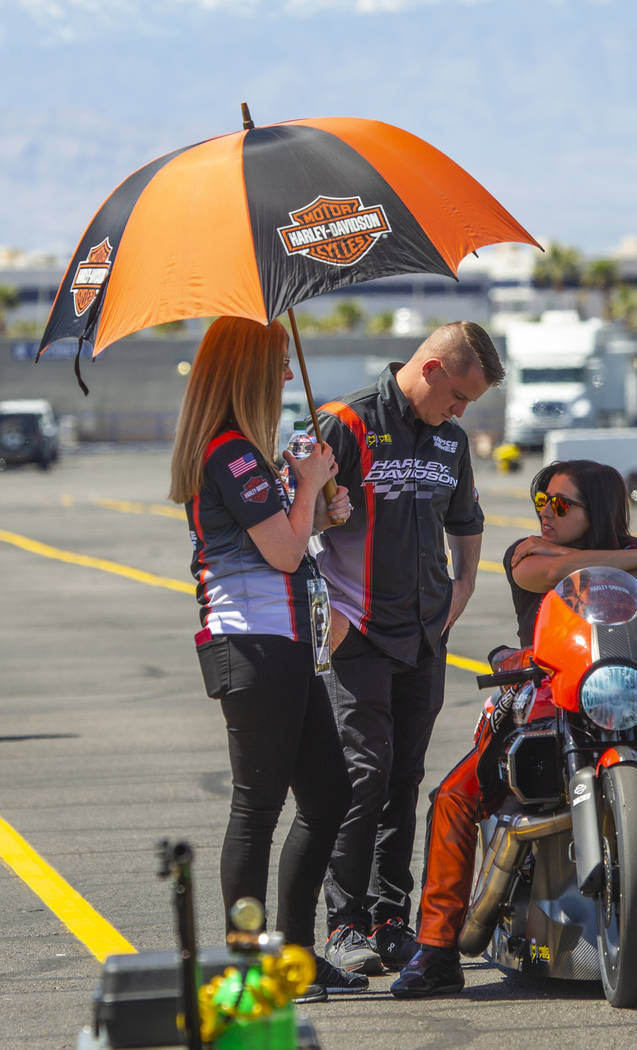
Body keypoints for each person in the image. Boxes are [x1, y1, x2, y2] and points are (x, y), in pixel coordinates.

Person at [391, 459, 637, 998]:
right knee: (454, 799)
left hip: (621, 693)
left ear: (597, 509)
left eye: (560, 504)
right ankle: (437, 949)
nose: (546, 512)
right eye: (542, 501)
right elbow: (543, 575)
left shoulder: (633, 557)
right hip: (546, 700)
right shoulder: (528, 551)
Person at [168, 316, 364, 1001]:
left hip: (284, 642)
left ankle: (296, 953)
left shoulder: (248, 452)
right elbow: (282, 553)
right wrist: (308, 485)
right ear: (248, 370)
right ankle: (249, 965)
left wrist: (321, 505)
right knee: (258, 807)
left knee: (329, 794)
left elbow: (288, 538)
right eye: (277, 363)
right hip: (253, 643)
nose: (287, 374)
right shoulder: (233, 455)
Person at [312, 321, 504, 976]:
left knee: (404, 777)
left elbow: (465, 520)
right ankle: (343, 923)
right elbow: (286, 524)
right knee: (362, 775)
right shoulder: (343, 423)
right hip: (358, 631)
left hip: (425, 633)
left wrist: (465, 584)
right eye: (458, 397)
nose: (461, 412)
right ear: (431, 369)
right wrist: (324, 597)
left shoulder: (451, 440)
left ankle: (391, 917)